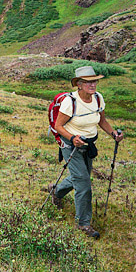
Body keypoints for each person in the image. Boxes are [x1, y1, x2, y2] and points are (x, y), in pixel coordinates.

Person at [50, 65, 124, 238]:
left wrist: (113, 133)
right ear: (79, 85)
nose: (93, 85)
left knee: (80, 176)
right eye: (88, 82)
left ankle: (56, 192)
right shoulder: (70, 102)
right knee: (83, 183)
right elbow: (58, 126)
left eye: (95, 81)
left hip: (89, 145)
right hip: (71, 146)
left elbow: (102, 121)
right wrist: (73, 138)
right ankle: (83, 224)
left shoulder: (98, 98)